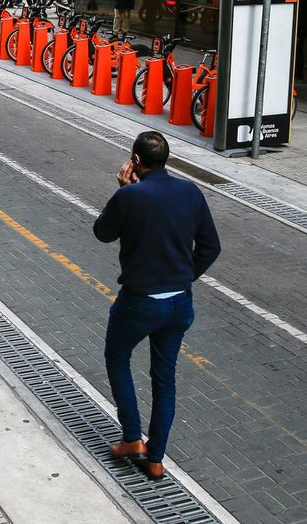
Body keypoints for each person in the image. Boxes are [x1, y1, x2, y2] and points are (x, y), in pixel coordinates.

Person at [94, 131, 221, 481]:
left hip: (139, 302)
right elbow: (211, 247)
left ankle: (133, 438)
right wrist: (183, 277)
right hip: (179, 303)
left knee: (117, 357)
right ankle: (155, 458)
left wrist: (121, 190)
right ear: (167, 159)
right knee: (164, 379)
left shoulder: (130, 196)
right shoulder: (191, 192)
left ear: (135, 162)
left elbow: (103, 232)